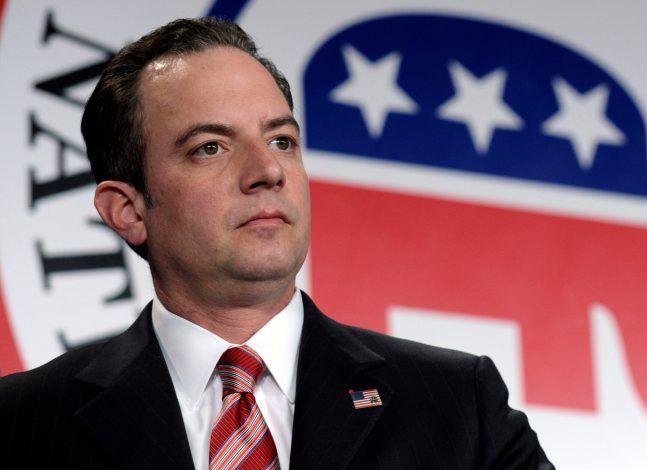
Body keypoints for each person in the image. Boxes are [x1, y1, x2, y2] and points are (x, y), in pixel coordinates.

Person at [0, 17, 553, 470]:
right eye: (210, 148)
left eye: (282, 140)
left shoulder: (458, 406)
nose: (267, 170)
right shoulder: (21, 424)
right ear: (129, 210)